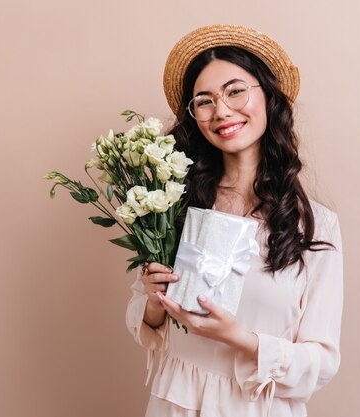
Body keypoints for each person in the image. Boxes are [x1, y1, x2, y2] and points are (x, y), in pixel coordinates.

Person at [126, 24, 344, 417]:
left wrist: (241, 339)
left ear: (268, 96)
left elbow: (322, 361)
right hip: (175, 404)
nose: (222, 110)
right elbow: (145, 321)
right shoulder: (175, 202)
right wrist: (154, 299)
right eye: (204, 100)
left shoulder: (315, 225)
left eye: (235, 90)